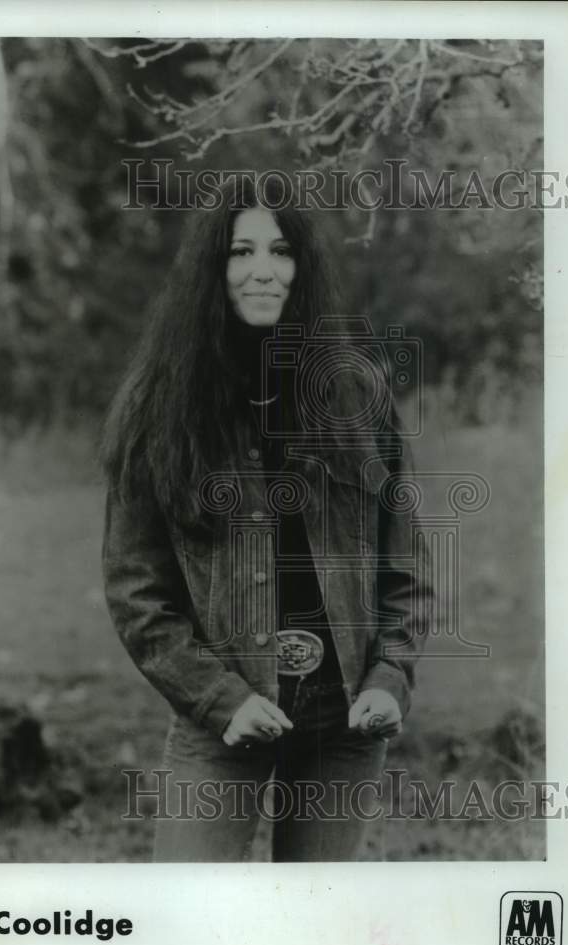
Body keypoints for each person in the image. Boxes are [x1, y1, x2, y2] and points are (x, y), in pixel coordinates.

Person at [101, 174, 432, 861]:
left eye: (280, 252)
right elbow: (139, 595)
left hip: (345, 723)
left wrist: (388, 677)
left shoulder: (356, 393)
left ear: (301, 268)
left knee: (312, 942)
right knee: (185, 934)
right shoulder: (157, 409)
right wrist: (222, 700)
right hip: (223, 719)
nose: (262, 271)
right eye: (240, 252)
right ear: (211, 269)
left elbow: (407, 564)